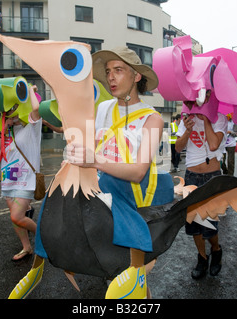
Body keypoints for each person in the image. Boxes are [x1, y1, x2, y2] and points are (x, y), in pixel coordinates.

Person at [65, 46, 169, 298]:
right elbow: (90, 146)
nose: (111, 77)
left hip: (136, 208)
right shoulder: (103, 109)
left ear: (136, 77)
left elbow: (138, 172)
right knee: (116, 274)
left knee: (133, 277)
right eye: (108, 71)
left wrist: (94, 161)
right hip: (102, 205)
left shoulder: (152, 119)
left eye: (118, 70)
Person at [174, 93, 227, 280]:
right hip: (191, 176)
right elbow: (178, 148)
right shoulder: (186, 119)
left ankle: (216, 249)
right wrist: (187, 130)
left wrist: (206, 120)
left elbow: (213, 145)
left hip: (211, 177)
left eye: (203, 96)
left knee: (210, 224)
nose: (199, 100)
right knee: (194, 223)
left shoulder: (219, 118)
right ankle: (202, 258)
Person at [0, 85, 41, 261]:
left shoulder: (31, 128)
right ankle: (26, 247)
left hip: (26, 180)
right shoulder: (7, 132)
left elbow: (35, 109)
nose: (12, 112)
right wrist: (2, 131)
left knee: (17, 216)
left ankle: (44, 235)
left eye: (16, 108)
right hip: (8, 181)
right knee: (16, 219)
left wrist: (31, 91)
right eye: (10, 109)